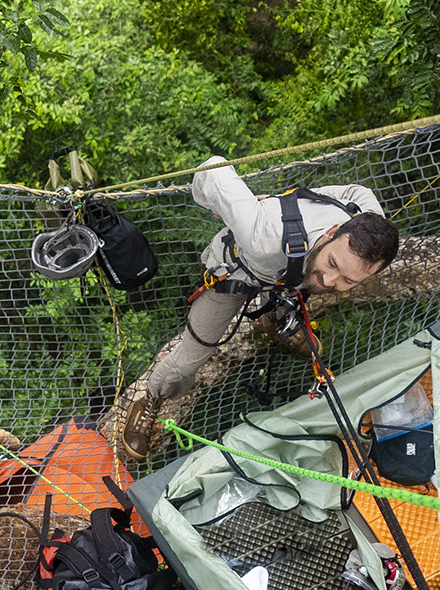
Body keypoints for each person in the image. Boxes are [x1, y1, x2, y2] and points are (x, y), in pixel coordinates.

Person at [120, 157, 400, 460]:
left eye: (349, 279)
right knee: (189, 359)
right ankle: (151, 398)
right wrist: (214, 204)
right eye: (333, 264)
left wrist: (296, 205)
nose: (331, 280)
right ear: (332, 232)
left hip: (285, 278)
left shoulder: (368, 225)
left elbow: (358, 192)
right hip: (237, 274)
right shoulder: (262, 233)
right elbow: (213, 167)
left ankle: (273, 318)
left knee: (305, 284)